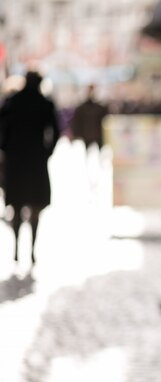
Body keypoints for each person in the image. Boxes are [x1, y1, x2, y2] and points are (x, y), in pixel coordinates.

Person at [0, 70, 60, 265]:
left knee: (16, 207)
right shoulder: (45, 103)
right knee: (36, 207)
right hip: (36, 160)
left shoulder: (13, 102)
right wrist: (47, 151)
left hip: (16, 160)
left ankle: (17, 248)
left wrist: (5, 149)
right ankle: (32, 250)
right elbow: (56, 131)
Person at [70, 84, 108, 149]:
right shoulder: (81, 109)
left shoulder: (101, 108)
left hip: (98, 136)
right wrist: (76, 135)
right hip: (85, 136)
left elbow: (105, 122)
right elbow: (76, 122)